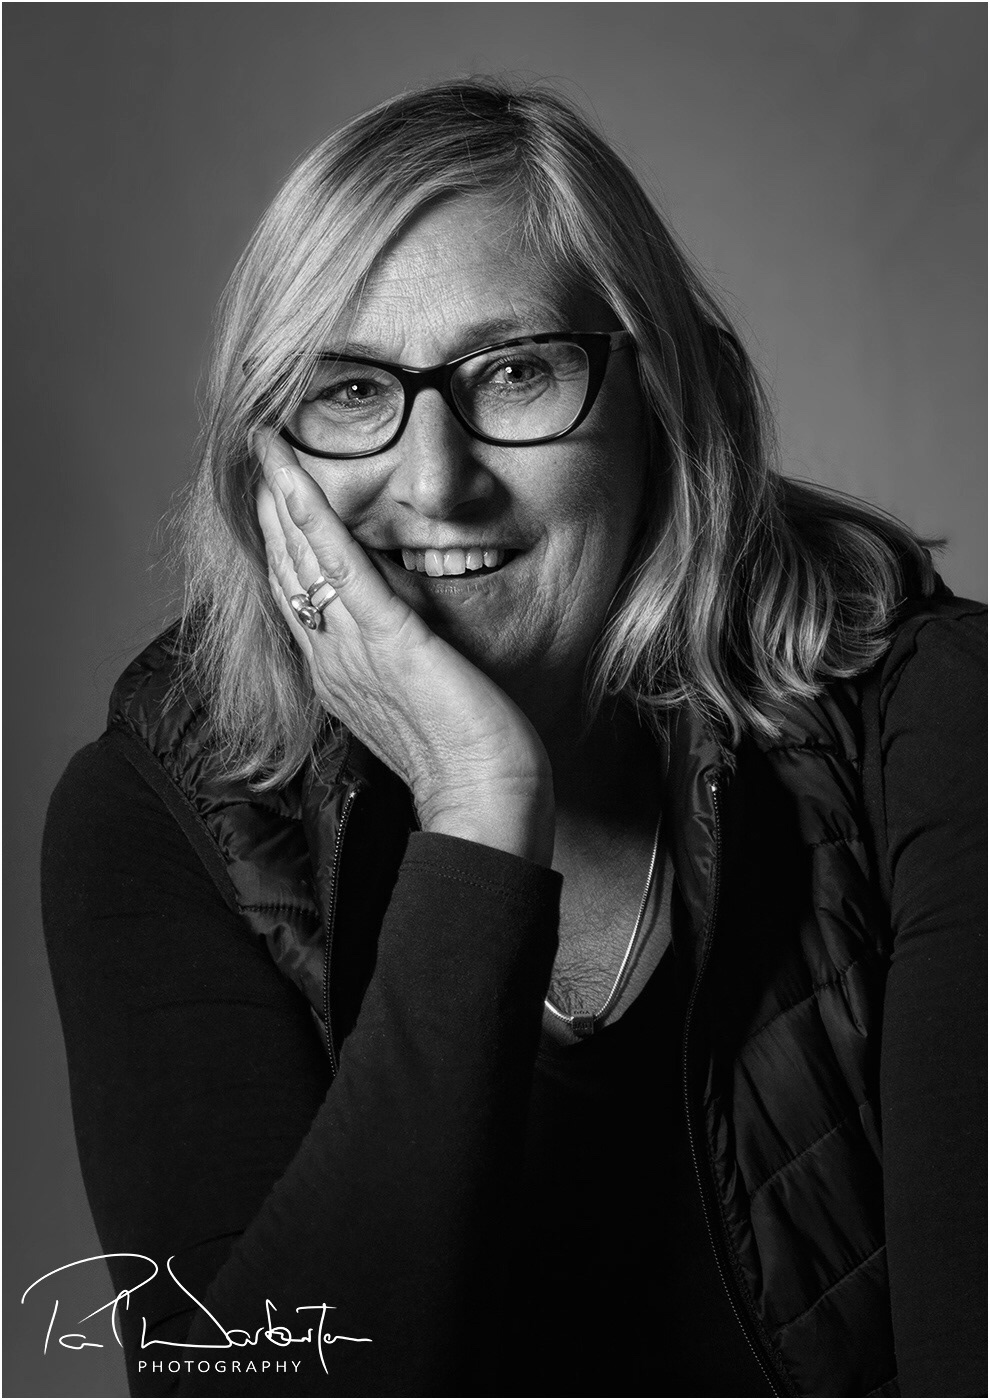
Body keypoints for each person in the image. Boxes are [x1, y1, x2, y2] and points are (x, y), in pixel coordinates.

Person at [42, 79, 984, 1399]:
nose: (436, 481)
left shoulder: (933, 721)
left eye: (516, 372)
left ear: (666, 399)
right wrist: (481, 806)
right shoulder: (165, 818)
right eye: (349, 390)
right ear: (270, 464)